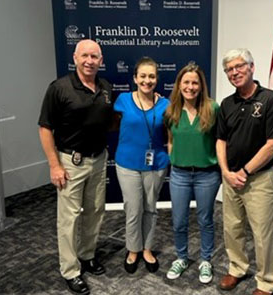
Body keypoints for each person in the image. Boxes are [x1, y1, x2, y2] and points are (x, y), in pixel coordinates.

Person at [38, 39, 113, 295]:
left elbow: (108, 121)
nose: (90, 61)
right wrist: (54, 165)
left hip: (99, 159)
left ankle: (87, 255)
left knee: (94, 211)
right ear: (75, 58)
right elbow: (45, 128)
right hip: (71, 162)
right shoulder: (59, 88)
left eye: (95, 56)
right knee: (68, 219)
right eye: (85, 56)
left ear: (101, 60)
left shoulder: (105, 87)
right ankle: (70, 270)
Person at [216, 48, 273, 295]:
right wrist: (226, 171)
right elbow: (221, 140)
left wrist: (244, 172)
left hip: (258, 180)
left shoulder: (270, 99)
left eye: (239, 67)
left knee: (262, 233)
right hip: (231, 179)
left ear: (251, 67)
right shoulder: (226, 104)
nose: (234, 73)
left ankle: (266, 281)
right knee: (232, 228)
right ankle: (237, 268)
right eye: (229, 70)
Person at [165, 63, 221, 284]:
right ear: (179, 85)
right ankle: (181, 257)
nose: (190, 86)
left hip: (207, 175)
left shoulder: (213, 108)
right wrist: (174, 159)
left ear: (201, 86)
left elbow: (220, 141)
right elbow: (170, 140)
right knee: (179, 221)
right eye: (186, 82)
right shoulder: (171, 111)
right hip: (179, 175)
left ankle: (205, 260)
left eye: (194, 82)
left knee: (205, 220)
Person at [114, 57, 169, 274]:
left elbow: (172, 134)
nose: (147, 80)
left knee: (150, 208)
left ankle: (147, 249)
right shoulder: (123, 100)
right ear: (135, 78)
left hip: (156, 164)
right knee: (133, 209)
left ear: (157, 78)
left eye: (152, 76)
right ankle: (133, 249)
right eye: (143, 76)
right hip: (127, 164)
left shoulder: (166, 105)